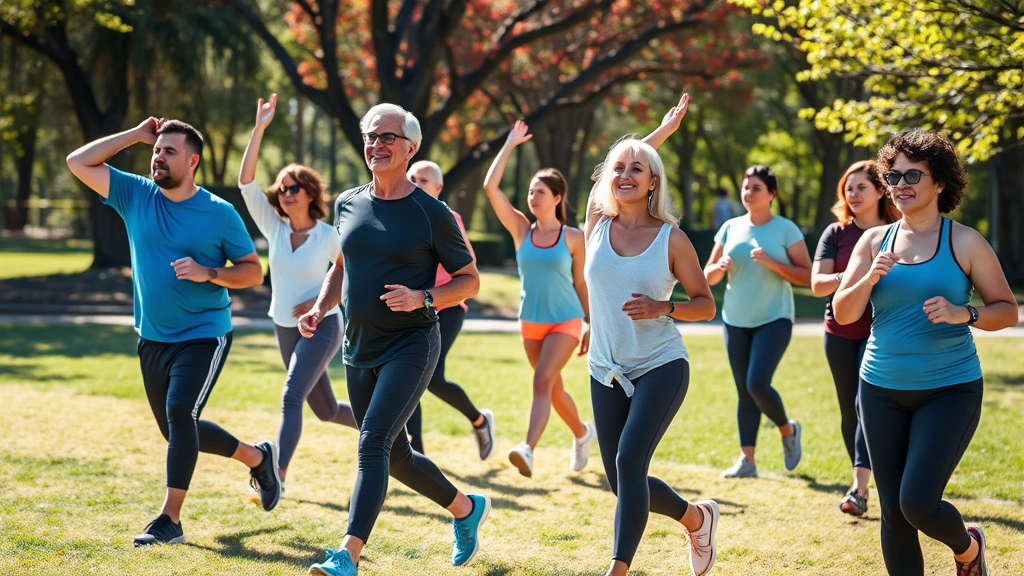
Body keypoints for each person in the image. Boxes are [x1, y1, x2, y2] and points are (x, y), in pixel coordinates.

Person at [65, 117, 281, 546]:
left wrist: (209, 272)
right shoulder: (135, 195)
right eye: (156, 151)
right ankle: (257, 457)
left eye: (169, 151)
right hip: (152, 336)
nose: (157, 158)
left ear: (193, 160)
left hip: (205, 334)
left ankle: (171, 519)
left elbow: (253, 272)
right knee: (176, 428)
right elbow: (78, 161)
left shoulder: (220, 214)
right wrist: (134, 135)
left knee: (181, 415)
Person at [299, 103, 490, 576]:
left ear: (411, 147)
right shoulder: (348, 202)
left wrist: (423, 297)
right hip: (357, 346)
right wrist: (320, 308)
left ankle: (347, 555)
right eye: (370, 136)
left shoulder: (432, 212)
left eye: (387, 137)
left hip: (411, 344)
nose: (377, 145)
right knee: (396, 454)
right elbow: (340, 268)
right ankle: (466, 508)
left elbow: (469, 280)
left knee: (371, 444)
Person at [833, 129, 1017, 576]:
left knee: (916, 502)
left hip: (949, 390)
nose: (902, 184)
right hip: (879, 390)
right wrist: (869, 278)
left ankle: (967, 547)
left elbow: (1007, 310)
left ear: (940, 183)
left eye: (914, 174)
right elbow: (843, 312)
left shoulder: (966, 241)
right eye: (893, 176)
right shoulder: (873, 242)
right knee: (894, 516)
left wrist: (965, 314)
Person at [584, 92, 721, 576]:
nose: (623, 176)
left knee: (628, 460)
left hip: (661, 365)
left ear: (652, 184)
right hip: (605, 370)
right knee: (624, 479)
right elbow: (609, 170)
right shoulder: (596, 221)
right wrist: (656, 135)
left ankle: (617, 570)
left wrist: (664, 307)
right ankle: (696, 517)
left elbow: (706, 305)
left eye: (636, 170)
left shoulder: (671, 237)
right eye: (619, 168)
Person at [238, 94, 357, 491]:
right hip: (284, 326)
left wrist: (322, 303)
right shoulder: (274, 227)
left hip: (322, 327)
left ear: (309, 193)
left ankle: (277, 476)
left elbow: (349, 273)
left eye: (293, 187)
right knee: (324, 409)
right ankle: (387, 424)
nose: (285, 193)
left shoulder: (328, 236)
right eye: (282, 188)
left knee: (291, 395)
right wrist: (259, 129)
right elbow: (246, 183)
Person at [483, 120, 595, 478]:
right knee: (553, 387)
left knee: (541, 382)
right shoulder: (520, 229)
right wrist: (510, 145)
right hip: (530, 321)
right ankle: (582, 432)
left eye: (540, 192)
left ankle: (527, 449)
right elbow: (490, 186)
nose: (532, 197)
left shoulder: (574, 238)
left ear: (557, 198)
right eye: (531, 192)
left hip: (566, 319)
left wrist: (591, 323)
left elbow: (581, 284)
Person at [704, 165, 811, 478]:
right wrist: (719, 268)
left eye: (756, 188)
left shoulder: (786, 229)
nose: (748, 193)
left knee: (756, 383)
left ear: (771, 194)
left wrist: (773, 263)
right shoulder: (730, 228)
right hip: (735, 318)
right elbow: (707, 276)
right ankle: (747, 461)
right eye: (745, 187)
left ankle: (787, 430)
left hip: (774, 318)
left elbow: (807, 276)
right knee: (743, 390)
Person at [810, 160, 900, 516]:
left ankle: (860, 489)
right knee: (851, 410)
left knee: (868, 405)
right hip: (840, 332)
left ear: (881, 190)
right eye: (849, 188)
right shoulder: (836, 233)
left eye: (861, 187)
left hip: (881, 332)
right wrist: (856, 274)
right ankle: (860, 480)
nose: (853, 193)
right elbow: (818, 285)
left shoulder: (898, 231)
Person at [404, 160, 495, 459]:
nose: (416, 183)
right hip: (411, 308)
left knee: (429, 378)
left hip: (448, 306)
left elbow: (469, 268)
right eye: (412, 178)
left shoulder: (448, 217)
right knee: (409, 373)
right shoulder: (399, 217)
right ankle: (416, 455)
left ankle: (479, 420)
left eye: (423, 180)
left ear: (438, 188)